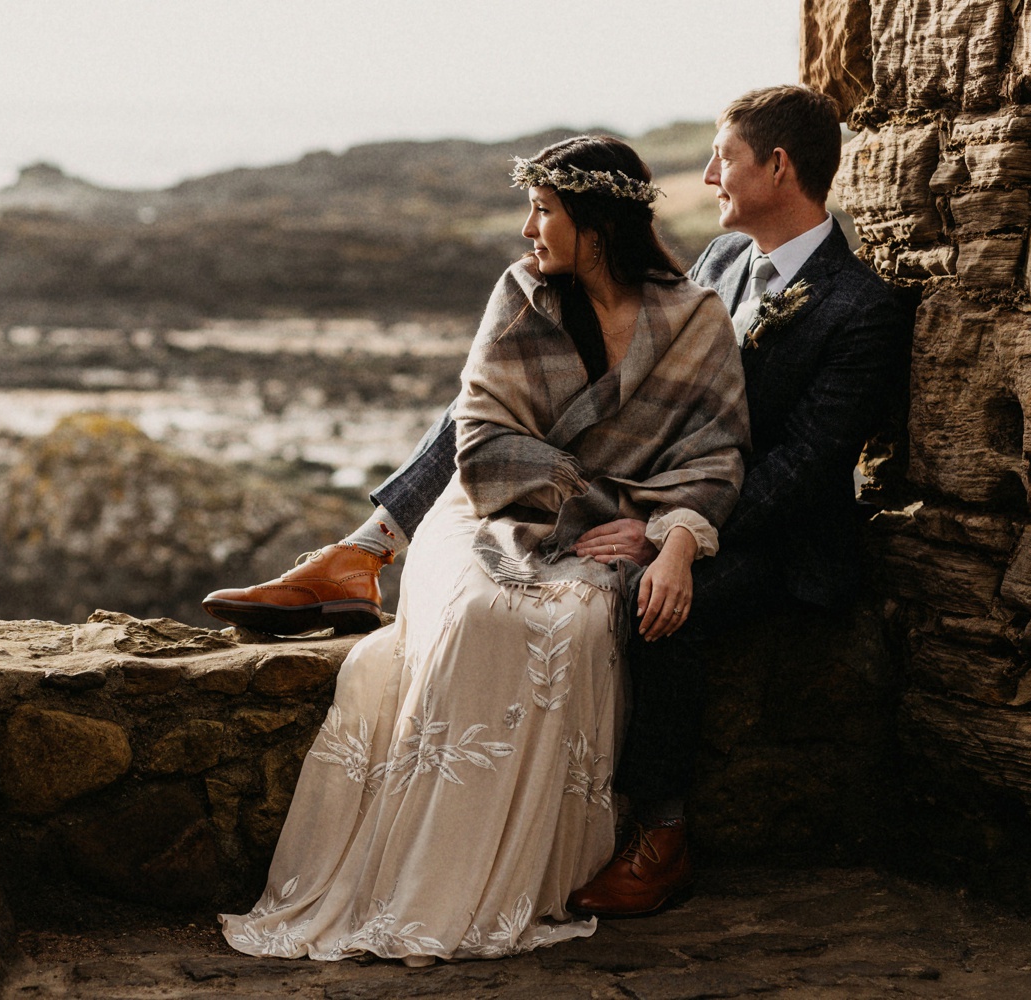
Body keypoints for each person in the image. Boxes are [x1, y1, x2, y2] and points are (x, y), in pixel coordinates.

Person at [207, 83, 911, 919]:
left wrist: (668, 530)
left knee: (662, 609)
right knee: (488, 402)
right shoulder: (722, 264)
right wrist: (598, 485)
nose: (710, 172)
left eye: (724, 156)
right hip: (670, 488)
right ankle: (365, 549)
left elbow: (799, 466)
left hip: (774, 534)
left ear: (779, 165)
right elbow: (646, 381)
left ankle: (664, 832)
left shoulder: (860, 305)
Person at [217, 135, 749, 963]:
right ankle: (429, 870)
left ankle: (525, 872)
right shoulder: (521, 294)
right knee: (478, 613)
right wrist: (596, 499)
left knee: (574, 626)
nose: (528, 227)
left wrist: (665, 533)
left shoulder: (694, 319)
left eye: (544, 209)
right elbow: (481, 438)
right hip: (491, 518)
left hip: (616, 536)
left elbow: (716, 455)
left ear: (597, 225)